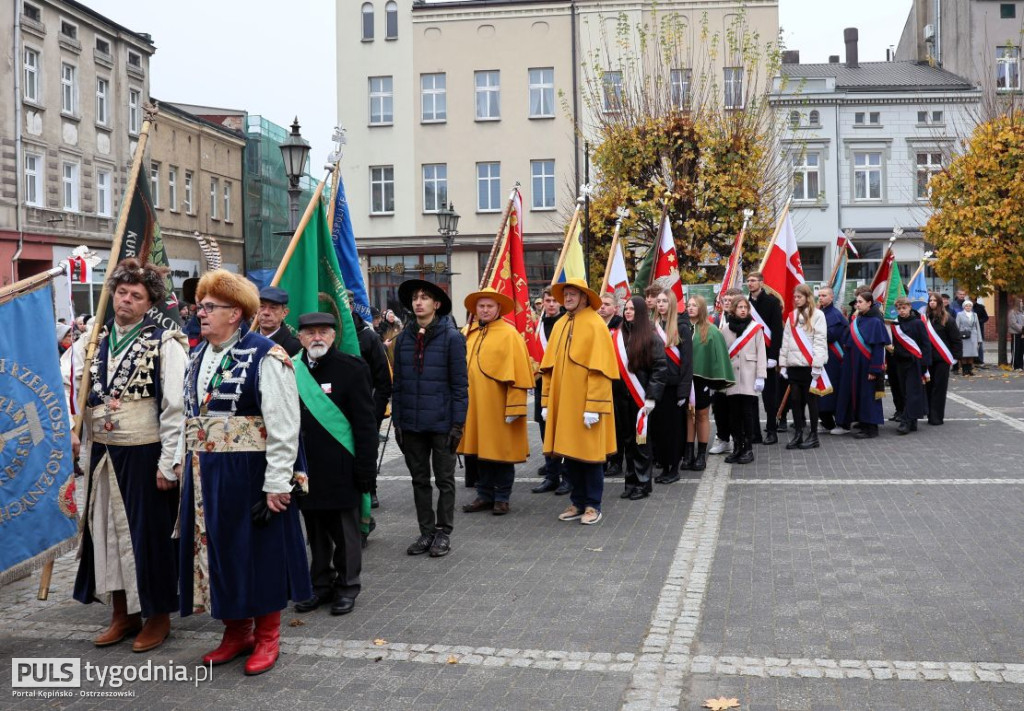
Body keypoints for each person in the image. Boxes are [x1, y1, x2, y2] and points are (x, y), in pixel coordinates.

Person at [178, 269, 312, 676]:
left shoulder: (265, 355)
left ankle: (268, 635)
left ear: (235, 313)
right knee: (219, 550)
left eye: (210, 307)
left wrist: (277, 482)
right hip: (206, 471)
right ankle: (236, 632)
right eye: (200, 306)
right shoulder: (199, 353)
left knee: (261, 553)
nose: (200, 313)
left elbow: (285, 423)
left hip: (250, 470)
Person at [73, 259, 188, 653]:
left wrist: (168, 461)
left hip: (145, 451)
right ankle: (122, 613)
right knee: (103, 531)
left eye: (136, 295)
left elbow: (176, 405)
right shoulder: (94, 339)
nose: (126, 299)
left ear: (149, 302)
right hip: (103, 452)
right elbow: (76, 388)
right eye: (122, 292)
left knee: (149, 537)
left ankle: (157, 617)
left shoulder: (166, 341)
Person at [293, 313, 377, 616]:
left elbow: (366, 425)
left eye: (324, 332)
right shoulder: (289, 368)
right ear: (300, 337)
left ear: (333, 336)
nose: (317, 337)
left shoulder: (352, 369)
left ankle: (347, 587)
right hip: (305, 468)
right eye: (311, 332)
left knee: (345, 535)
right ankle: (320, 585)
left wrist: (366, 470)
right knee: (315, 533)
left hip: (342, 467)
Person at [391, 279, 468, 557]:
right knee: (419, 480)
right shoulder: (403, 339)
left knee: (444, 480)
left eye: (424, 297)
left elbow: (460, 386)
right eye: (415, 298)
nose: (418, 302)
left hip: (442, 423)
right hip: (411, 423)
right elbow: (397, 383)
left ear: (436, 304)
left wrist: (458, 424)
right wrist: (397, 421)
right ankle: (426, 532)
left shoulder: (453, 338)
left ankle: (443, 532)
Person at [540, 277, 619, 525]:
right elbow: (549, 368)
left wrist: (594, 406)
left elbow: (601, 370)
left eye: (573, 293)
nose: (569, 298)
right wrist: (545, 402)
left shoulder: (596, 324)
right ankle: (577, 501)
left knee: (591, 457)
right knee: (570, 456)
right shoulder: (562, 323)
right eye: (566, 294)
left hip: (587, 405)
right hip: (564, 404)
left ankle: (593, 505)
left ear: (584, 297)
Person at [458, 288, 534, 515]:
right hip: (474, 405)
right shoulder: (467, 332)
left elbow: (520, 374)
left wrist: (515, 406)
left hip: (499, 405)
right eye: (481, 306)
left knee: (501, 452)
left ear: (498, 308)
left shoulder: (510, 334)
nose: (485, 310)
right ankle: (484, 494)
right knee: (480, 451)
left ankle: (502, 497)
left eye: (489, 306)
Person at [611, 296, 667, 499]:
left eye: (632, 309)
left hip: (641, 398)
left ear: (641, 312)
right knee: (627, 442)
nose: (628, 312)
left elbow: (660, 369)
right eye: (626, 308)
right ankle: (630, 482)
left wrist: (651, 397)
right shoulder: (618, 335)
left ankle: (643, 485)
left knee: (641, 442)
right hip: (621, 398)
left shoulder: (651, 336)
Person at [350, 297, 393, 509]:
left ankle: (370, 491)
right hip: (334, 409)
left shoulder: (368, 337)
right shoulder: (327, 334)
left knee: (366, 451)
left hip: (365, 408)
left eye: (346, 303)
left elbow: (383, 380)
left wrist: (375, 411)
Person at [685, 295, 735, 470]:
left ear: (701, 308)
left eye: (694, 305)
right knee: (687, 416)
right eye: (688, 305)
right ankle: (688, 452)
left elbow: (718, 357)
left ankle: (700, 455)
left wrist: (716, 380)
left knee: (701, 415)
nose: (690, 308)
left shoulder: (711, 330)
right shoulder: (679, 328)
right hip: (684, 380)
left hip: (702, 380)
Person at [835, 288, 889, 439]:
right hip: (854, 364)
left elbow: (878, 348)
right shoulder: (858, 319)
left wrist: (874, 369)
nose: (857, 305)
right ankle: (863, 423)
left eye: (860, 302)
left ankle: (872, 428)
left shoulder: (876, 321)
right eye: (856, 302)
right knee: (858, 394)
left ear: (869, 303)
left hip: (867, 365)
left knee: (868, 396)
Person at [531, 288, 570, 495]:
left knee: (564, 433)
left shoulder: (566, 324)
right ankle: (551, 476)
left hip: (564, 387)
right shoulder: (536, 327)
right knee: (546, 434)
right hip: (542, 387)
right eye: (548, 300)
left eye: (556, 300)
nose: (552, 304)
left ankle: (568, 477)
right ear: (543, 303)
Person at [651, 287, 692, 484]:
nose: (660, 304)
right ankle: (664, 466)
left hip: (675, 388)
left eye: (664, 301)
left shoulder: (681, 327)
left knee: (674, 430)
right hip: (658, 386)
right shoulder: (653, 326)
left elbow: (687, 362)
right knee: (659, 429)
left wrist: (684, 392)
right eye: (658, 301)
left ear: (672, 304)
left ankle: (673, 468)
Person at [779, 284, 828, 450]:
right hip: (794, 366)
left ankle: (813, 435)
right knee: (795, 401)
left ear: (808, 297)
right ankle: (798, 433)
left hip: (809, 366)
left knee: (811, 401)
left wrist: (817, 364)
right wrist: (783, 363)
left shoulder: (818, 315)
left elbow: (820, 340)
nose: (796, 299)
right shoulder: (792, 316)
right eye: (795, 297)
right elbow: (786, 341)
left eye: (799, 296)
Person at [721, 295, 766, 465]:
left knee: (747, 413)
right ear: (733, 309)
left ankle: (748, 448)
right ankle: (737, 446)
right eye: (739, 307)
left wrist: (761, 376)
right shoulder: (725, 329)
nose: (742, 310)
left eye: (745, 307)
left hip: (749, 376)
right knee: (733, 414)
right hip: (732, 378)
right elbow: (723, 353)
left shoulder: (755, 328)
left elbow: (761, 352)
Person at [746, 272, 784, 443]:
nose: (750, 283)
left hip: (768, 355)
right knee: (751, 395)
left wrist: (774, 356)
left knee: (770, 396)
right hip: (750, 354)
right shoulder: (745, 304)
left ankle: (771, 430)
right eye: (748, 281)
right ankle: (755, 432)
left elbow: (777, 331)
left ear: (761, 282)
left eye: (753, 280)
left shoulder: (772, 302)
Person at [890, 297, 932, 435]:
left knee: (911, 392)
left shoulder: (918, 323)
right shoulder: (895, 324)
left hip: (915, 363)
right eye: (899, 309)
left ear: (909, 308)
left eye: (904, 308)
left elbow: (926, 344)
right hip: (900, 362)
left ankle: (906, 421)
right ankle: (912, 420)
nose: (901, 311)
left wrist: (925, 364)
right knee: (903, 392)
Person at [709, 288, 742, 455]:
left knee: (736, 409)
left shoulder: (744, 321)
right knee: (719, 407)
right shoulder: (715, 319)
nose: (727, 302)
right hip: (718, 371)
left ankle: (739, 441)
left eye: (731, 300)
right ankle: (723, 438)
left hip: (737, 370)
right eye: (725, 300)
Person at [924, 292, 961, 425]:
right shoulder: (925, 319)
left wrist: (955, 358)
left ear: (940, 303)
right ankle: (929, 414)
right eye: (930, 300)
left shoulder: (948, 319)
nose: (932, 302)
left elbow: (956, 340)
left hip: (942, 359)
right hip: (928, 359)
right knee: (928, 387)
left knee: (939, 388)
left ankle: (937, 417)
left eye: (934, 300)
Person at [816, 287, 847, 434]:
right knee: (822, 392)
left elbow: (830, 336)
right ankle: (827, 422)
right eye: (819, 295)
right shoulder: (821, 313)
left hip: (835, 360)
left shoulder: (835, 315)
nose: (821, 298)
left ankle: (841, 423)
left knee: (833, 392)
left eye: (824, 295)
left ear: (832, 297)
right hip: (824, 359)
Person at [257, 286, 302, 357]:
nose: (266, 312)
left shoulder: (294, 347)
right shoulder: (246, 340)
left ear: (284, 313)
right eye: (262, 306)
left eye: (273, 308)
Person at [956, 300, 982, 377]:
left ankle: (969, 370)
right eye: (966, 306)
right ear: (964, 307)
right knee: (964, 354)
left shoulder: (975, 315)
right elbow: (957, 326)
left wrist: (979, 339)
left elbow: (978, 327)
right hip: (963, 336)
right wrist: (956, 338)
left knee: (972, 354)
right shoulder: (959, 314)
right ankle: (964, 370)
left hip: (973, 336)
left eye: (970, 306)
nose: (968, 307)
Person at [1010, 297, 1024, 371]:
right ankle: (1014, 365)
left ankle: (1020, 366)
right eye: (1020, 302)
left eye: (1022, 302)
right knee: (1016, 349)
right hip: (1016, 333)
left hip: (1022, 333)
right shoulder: (1012, 312)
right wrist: (1022, 329)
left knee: (1021, 350)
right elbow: (1013, 323)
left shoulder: (1022, 312)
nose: (1022, 303)